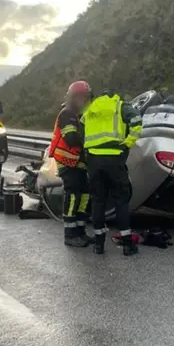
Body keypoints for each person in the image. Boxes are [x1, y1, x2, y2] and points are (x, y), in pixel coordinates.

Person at [82, 89, 143, 256]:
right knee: (120, 200)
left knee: (98, 201)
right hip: (115, 158)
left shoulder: (90, 109)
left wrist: (87, 153)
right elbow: (137, 120)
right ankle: (127, 245)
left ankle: (99, 245)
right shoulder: (120, 106)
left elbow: (81, 129)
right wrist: (128, 143)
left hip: (94, 160)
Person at [49, 81, 94, 247]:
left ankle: (80, 232)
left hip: (78, 162)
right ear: (74, 98)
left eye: (87, 98)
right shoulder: (67, 114)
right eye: (83, 98)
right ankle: (70, 234)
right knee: (73, 195)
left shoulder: (78, 116)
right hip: (67, 162)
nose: (86, 101)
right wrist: (91, 139)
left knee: (84, 196)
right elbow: (71, 138)